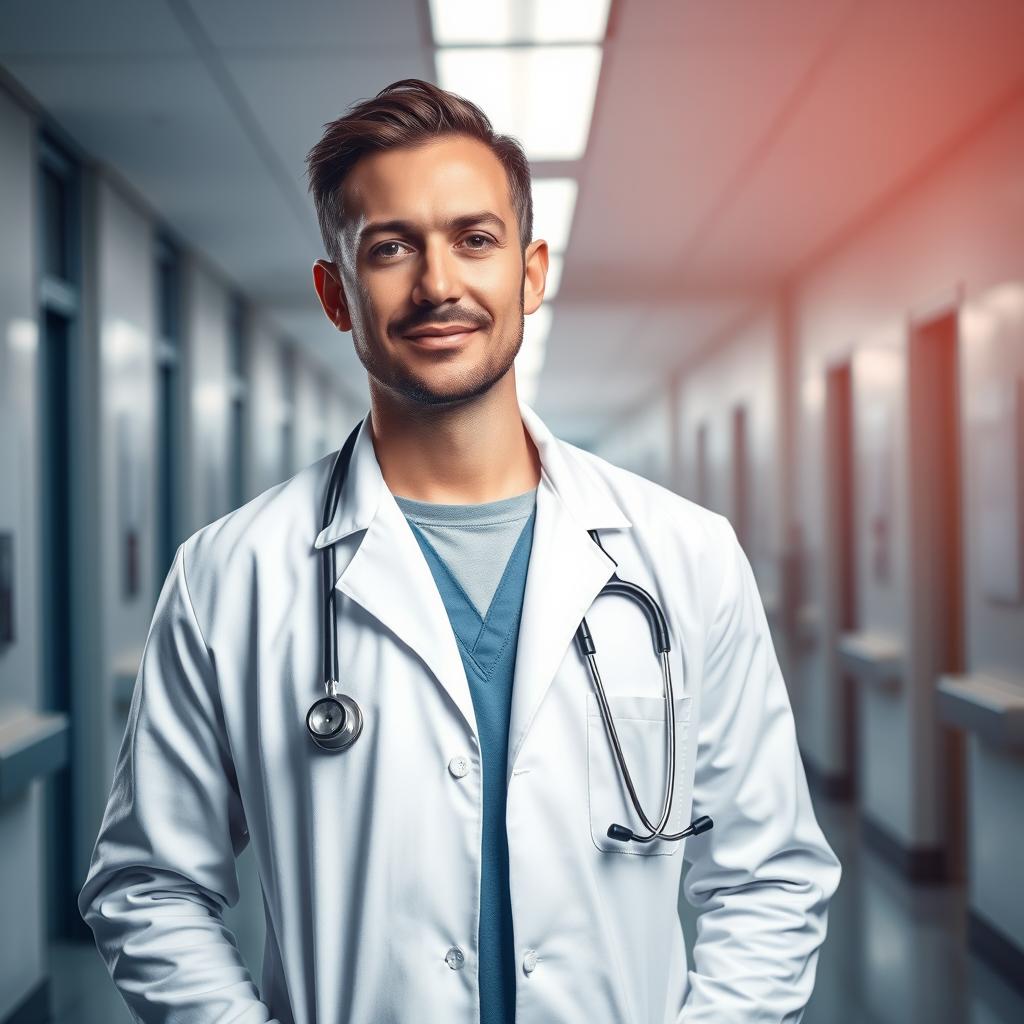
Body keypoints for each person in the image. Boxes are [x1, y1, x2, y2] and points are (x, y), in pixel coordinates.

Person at [79, 77, 841, 1024]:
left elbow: (767, 879)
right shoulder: (229, 575)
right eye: (391, 248)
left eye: (475, 240)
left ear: (530, 272)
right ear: (336, 294)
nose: (439, 283)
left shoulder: (685, 555)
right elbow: (150, 887)